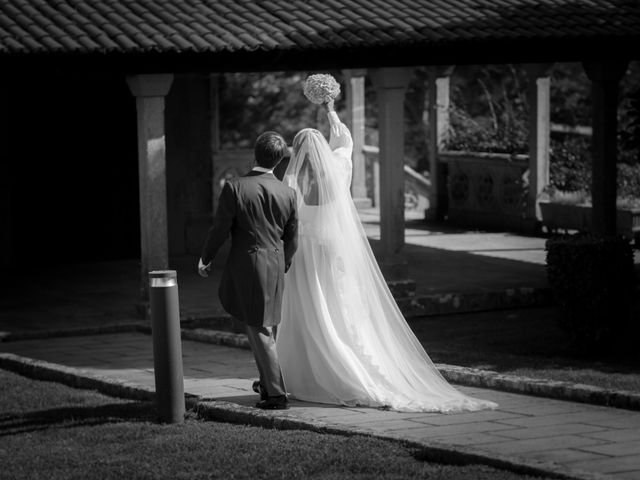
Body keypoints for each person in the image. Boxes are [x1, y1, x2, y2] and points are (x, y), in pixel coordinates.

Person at [276, 102, 497, 413]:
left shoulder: (289, 183)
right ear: (322, 149)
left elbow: (286, 223)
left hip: (303, 258)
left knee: (307, 311)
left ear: (296, 153)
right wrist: (329, 109)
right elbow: (345, 142)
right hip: (331, 253)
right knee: (338, 310)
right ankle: (346, 368)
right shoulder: (338, 171)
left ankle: (305, 376)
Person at [198, 131, 298, 410]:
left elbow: (220, 229)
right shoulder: (288, 193)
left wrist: (206, 257)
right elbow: (293, 239)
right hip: (276, 265)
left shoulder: (235, 187)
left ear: (255, 153)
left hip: (250, 266)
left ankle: (277, 395)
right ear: (279, 161)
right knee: (263, 327)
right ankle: (267, 385)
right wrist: (283, 264)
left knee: (260, 328)